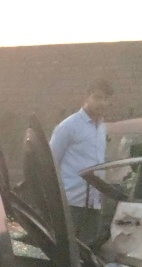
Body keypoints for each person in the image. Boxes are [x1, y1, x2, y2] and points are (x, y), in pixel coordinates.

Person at [50, 79, 113, 245]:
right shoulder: (69, 126)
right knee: (67, 249)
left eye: (106, 99)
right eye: (97, 97)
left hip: (93, 203)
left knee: (87, 253)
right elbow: (50, 162)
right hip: (70, 203)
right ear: (86, 97)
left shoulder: (102, 127)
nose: (102, 103)